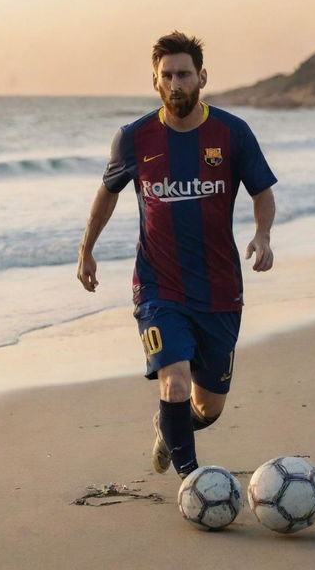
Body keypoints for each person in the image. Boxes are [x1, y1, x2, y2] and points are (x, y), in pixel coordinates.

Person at [77, 31, 277, 479]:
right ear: (155, 82)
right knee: (175, 382)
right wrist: (86, 249)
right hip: (157, 287)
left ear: (202, 77)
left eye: (184, 74)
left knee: (209, 407)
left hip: (220, 288)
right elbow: (106, 194)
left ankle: (172, 428)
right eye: (166, 75)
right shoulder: (134, 138)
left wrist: (262, 236)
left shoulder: (231, 133)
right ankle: (194, 483)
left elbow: (262, 192)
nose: (175, 83)